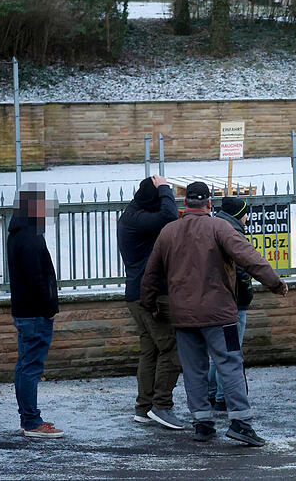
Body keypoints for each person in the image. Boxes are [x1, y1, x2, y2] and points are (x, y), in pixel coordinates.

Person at [141, 182, 288, 446]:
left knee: (194, 370)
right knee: (230, 364)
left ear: (185, 204)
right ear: (209, 204)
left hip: (183, 316)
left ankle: (202, 424)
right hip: (221, 317)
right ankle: (241, 423)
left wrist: (149, 303)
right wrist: (275, 283)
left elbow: (151, 273)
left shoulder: (169, 231)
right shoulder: (219, 227)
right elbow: (249, 257)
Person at [118, 175, 184, 429]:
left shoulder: (134, 214)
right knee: (171, 348)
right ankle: (161, 406)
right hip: (149, 295)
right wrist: (165, 188)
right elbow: (169, 215)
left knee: (151, 350)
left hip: (138, 294)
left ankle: (144, 408)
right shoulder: (135, 219)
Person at [7, 183, 63, 438]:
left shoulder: (19, 233)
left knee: (24, 366)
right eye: (41, 205)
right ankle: (31, 421)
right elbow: (36, 278)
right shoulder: (30, 237)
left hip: (25, 310)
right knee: (30, 367)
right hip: (34, 313)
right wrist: (49, 308)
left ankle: (27, 417)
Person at [207, 196, 254, 412]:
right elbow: (243, 270)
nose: (247, 218)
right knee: (231, 352)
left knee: (216, 353)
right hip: (234, 306)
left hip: (215, 303)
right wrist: (246, 294)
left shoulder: (214, 228)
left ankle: (211, 392)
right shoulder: (234, 234)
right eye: (245, 213)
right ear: (238, 215)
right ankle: (221, 397)